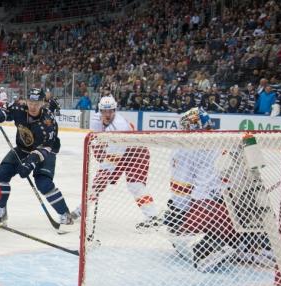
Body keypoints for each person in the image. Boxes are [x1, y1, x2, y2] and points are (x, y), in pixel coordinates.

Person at [160, 107, 270, 272]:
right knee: (241, 222)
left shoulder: (184, 149)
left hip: (207, 209)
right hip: (241, 207)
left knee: (177, 234)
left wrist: (177, 213)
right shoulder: (226, 139)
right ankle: (252, 244)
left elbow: (181, 189)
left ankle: (213, 247)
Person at [0, 88, 75, 231]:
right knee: (2, 174)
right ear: (27, 101)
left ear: (42, 103)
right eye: (30, 102)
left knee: (43, 183)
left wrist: (31, 162)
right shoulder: (19, 107)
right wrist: (0, 114)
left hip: (46, 151)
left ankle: (64, 214)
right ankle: (1, 210)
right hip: (22, 149)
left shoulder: (48, 121)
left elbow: (46, 147)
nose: (33, 106)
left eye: (37, 103)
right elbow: (8, 112)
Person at [70, 96, 159, 229]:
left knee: (135, 185)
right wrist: (100, 153)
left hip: (136, 153)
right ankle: (81, 210)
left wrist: (102, 174)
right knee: (99, 182)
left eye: (110, 111)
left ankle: (152, 217)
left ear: (114, 110)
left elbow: (110, 162)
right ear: (99, 110)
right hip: (118, 150)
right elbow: (98, 141)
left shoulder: (118, 127)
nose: (107, 114)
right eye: (104, 111)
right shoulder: (95, 120)